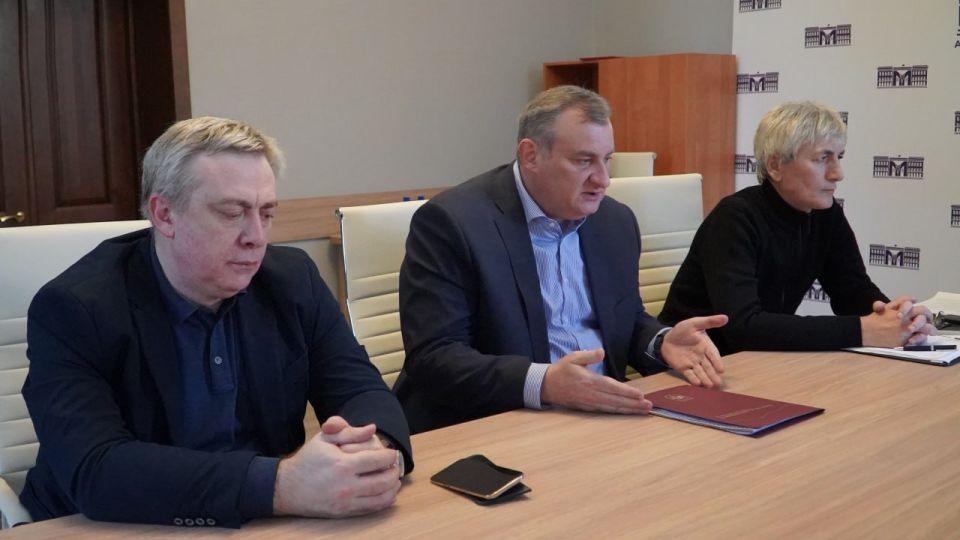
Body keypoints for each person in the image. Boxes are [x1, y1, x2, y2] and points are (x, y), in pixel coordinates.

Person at [20, 117, 412, 528]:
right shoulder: (74, 308)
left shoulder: (292, 281)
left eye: (266, 213)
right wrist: (278, 485)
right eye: (232, 213)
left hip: (263, 521)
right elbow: (96, 468)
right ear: (164, 215)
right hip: (110, 526)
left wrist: (372, 451)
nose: (256, 236)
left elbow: (361, 390)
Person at [395, 85, 728, 433]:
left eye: (607, 160)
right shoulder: (452, 223)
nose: (603, 180)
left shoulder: (614, 221)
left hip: (603, 415)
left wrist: (660, 342)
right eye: (584, 161)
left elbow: (626, 320)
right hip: (495, 423)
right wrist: (545, 383)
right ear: (530, 155)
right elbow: (435, 357)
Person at [659, 101, 934, 355]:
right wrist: (862, 330)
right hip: (694, 363)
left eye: (839, 157)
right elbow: (743, 327)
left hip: (759, 362)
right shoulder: (734, 218)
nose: (838, 173)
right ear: (775, 166)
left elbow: (852, 290)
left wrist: (899, 320)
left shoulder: (825, 214)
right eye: (822, 158)